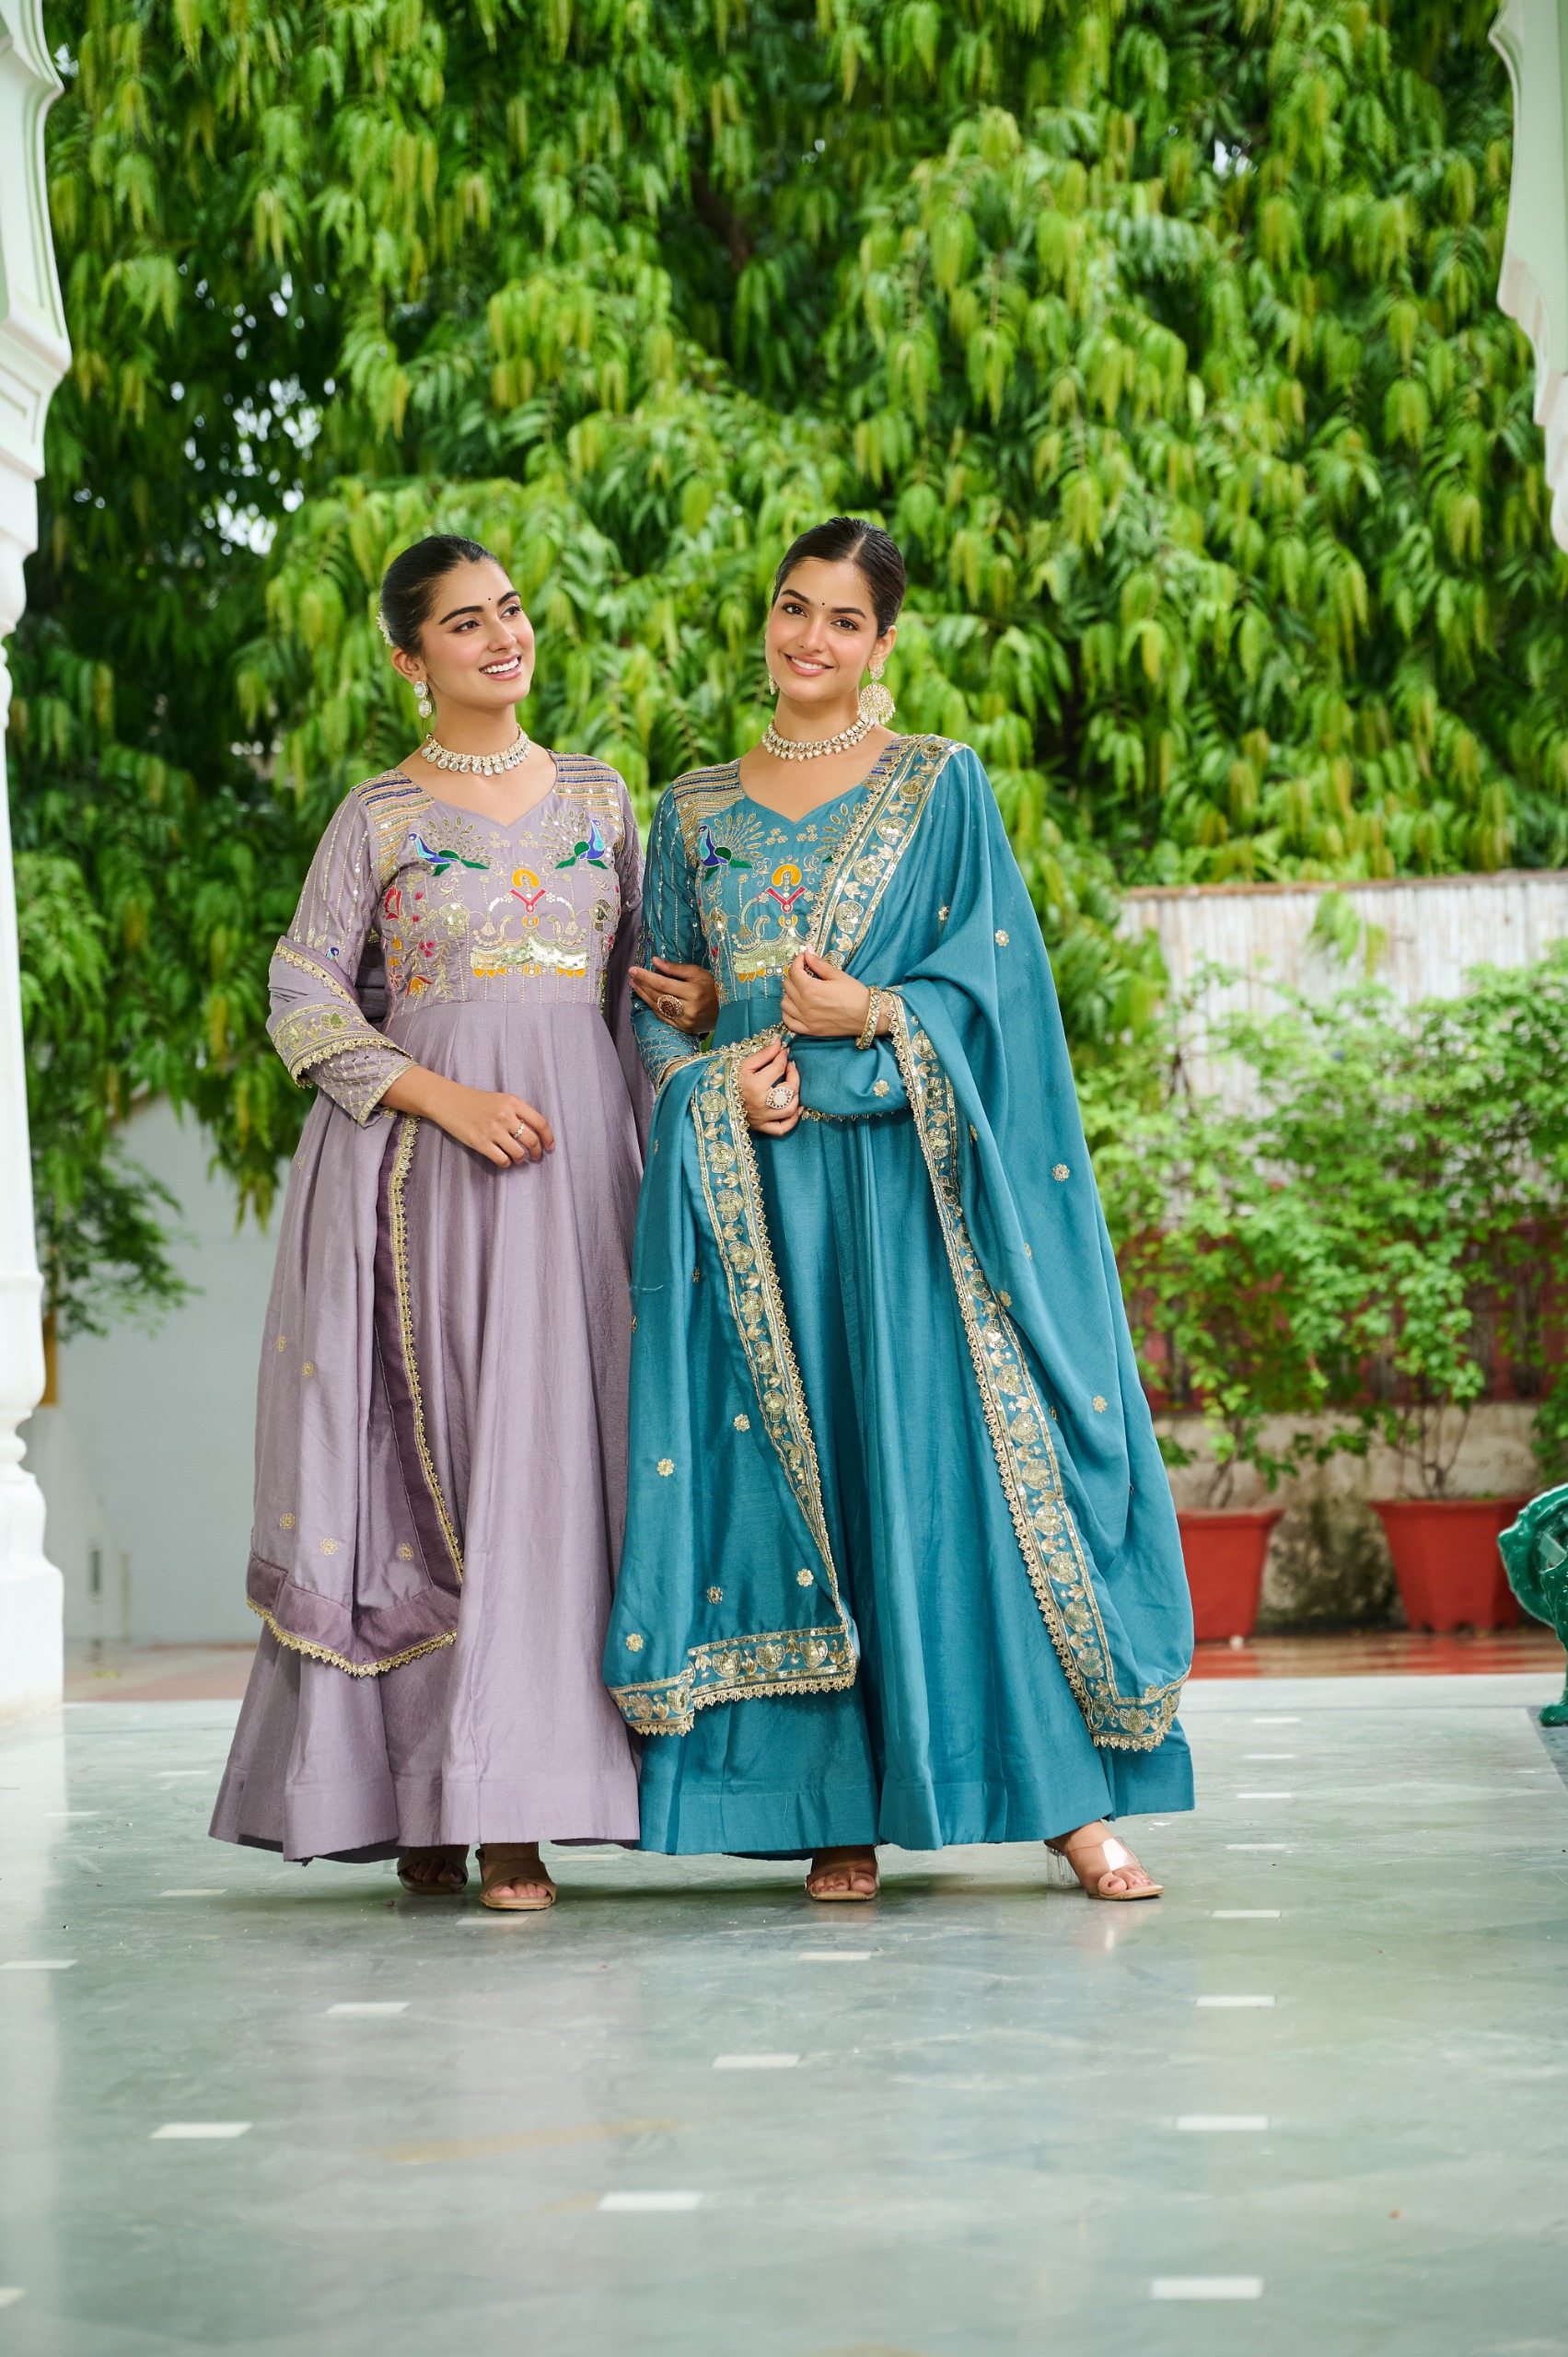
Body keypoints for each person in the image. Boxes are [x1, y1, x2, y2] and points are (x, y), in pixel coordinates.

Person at [609, 517, 1194, 1901]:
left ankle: (1065, 1807)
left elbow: (1000, 992)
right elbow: (656, 1008)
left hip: (911, 1194)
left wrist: (876, 1012)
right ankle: (836, 1813)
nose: (808, 638)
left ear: (884, 643)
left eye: (842, 619)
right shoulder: (689, 811)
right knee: (798, 1483)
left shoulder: (941, 786)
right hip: (765, 1201)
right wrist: (714, 1082)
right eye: (791, 607)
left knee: (951, 1478)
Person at [211, 533, 715, 1910]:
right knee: (446, 1466)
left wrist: (700, 1013)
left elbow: (639, 989)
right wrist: (445, 1099)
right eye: (465, 622)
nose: (503, 637)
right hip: (433, 1178)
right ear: (408, 658)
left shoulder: (603, 799)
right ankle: (439, 1795)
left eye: (512, 610)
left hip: (585, 1179)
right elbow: (303, 997)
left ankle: (518, 1807)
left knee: (565, 1467)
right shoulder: (377, 818)